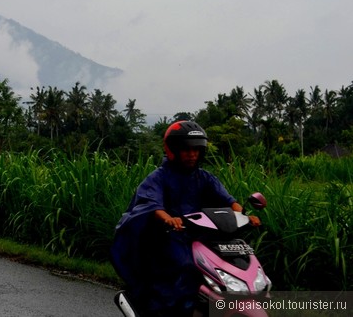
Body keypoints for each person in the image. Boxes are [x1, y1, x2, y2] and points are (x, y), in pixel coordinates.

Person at [110, 116, 260, 317]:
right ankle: (171, 309)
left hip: (200, 236)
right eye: (187, 149)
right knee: (187, 266)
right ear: (173, 150)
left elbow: (227, 200)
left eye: (196, 150)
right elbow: (151, 202)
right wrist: (168, 218)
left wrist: (245, 215)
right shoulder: (160, 176)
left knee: (223, 266)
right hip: (169, 236)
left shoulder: (203, 177)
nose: (192, 154)